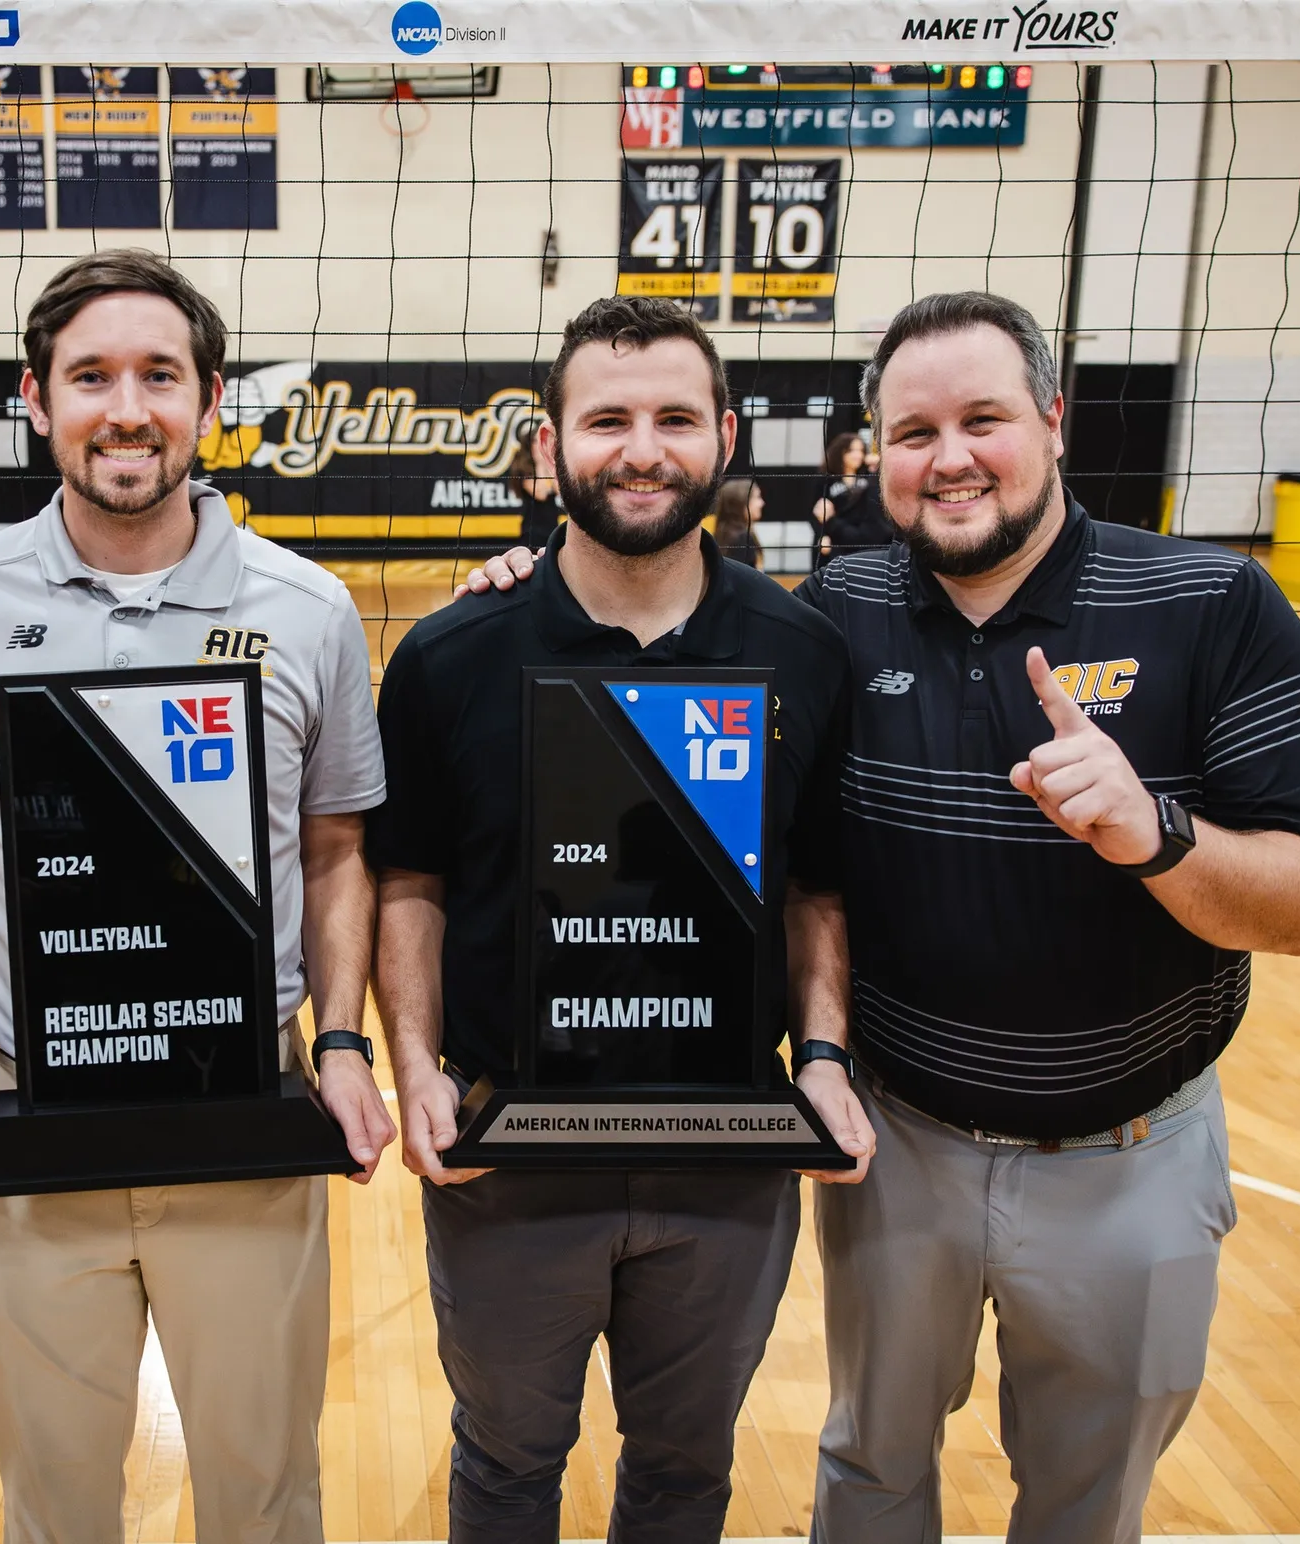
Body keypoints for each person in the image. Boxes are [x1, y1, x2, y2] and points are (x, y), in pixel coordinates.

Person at [459, 289, 1300, 1544]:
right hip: (898, 1143)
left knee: (1085, 1500)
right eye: (912, 430)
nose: (948, 459)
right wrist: (518, 579)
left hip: (1128, 1154)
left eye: (981, 419)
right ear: (874, 449)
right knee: (870, 1466)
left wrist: (1156, 833)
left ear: (1051, 420)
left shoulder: (1210, 602)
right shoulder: (833, 615)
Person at [0, 248, 394, 1544]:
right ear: (36, 400)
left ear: (208, 399)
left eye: (158, 375)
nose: (126, 407)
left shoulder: (307, 610)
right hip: (28, 1111)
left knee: (265, 1494)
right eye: (89, 376)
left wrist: (336, 1043)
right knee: (53, 1503)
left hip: (242, 1113)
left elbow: (336, 850)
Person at [369, 294, 872, 1542]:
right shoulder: (448, 655)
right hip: (511, 1152)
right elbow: (410, 881)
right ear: (548, 446)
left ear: (723, 435)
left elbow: (814, 884)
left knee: (685, 1470)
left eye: (672, 418)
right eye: (605, 419)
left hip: (726, 1150)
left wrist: (821, 1055)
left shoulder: (800, 651)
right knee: (503, 1461)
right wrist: (415, 1067)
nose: (640, 447)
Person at [809, 431, 889, 567]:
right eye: (852, 451)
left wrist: (877, 464)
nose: (857, 455)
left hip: (859, 539)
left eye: (861, 451)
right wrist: (821, 535)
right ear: (840, 452)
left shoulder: (867, 476)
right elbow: (814, 512)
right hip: (833, 539)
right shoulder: (827, 479)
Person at [508, 420, 560, 549]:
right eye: (537, 441)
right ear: (530, 444)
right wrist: (539, 462)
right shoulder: (522, 468)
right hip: (532, 530)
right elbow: (540, 494)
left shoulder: (550, 466)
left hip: (552, 527)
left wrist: (548, 462)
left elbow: (559, 490)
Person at [712, 475, 765, 568]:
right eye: (757, 497)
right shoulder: (742, 538)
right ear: (741, 502)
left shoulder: (722, 534)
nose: (762, 503)